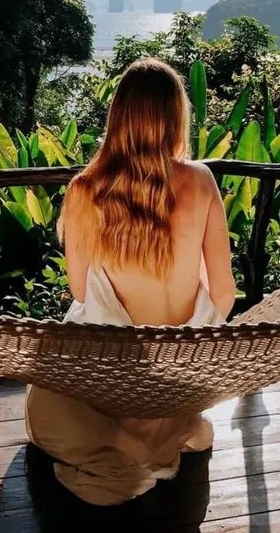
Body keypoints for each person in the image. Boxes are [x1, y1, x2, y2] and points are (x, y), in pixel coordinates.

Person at [25, 58, 237, 506]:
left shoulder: (86, 189)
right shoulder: (201, 181)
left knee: (44, 401)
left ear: (117, 117)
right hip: (180, 373)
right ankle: (170, 424)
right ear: (175, 117)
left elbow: (82, 295)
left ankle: (132, 438)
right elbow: (223, 293)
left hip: (115, 373)